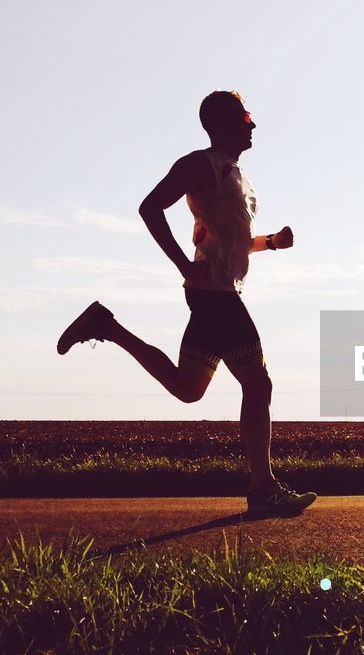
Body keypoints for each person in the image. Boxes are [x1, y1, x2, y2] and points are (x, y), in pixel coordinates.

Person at [56, 90, 316, 517]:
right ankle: (263, 488)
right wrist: (182, 263)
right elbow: (149, 207)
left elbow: (232, 242)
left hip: (216, 290)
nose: (253, 125)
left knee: (188, 389)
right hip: (214, 293)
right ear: (223, 123)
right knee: (258, 382)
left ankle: (106, 327)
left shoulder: (237, 175)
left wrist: (270, 243)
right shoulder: (200, 164)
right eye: (247, 117)